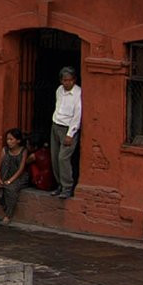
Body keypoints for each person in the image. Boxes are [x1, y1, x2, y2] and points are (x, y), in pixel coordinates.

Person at [50, 66, 82, 200]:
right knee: (55, 157)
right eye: (64, 80)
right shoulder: (59, 90)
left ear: (74, 80)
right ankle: (59, 185)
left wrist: (71, 133)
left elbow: (77, 115)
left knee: (63, 158)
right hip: (56, 125)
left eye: (69, 80)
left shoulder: (78, 94)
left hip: (68, 128)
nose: (66, 83)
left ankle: (67, 186)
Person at [0, 128, 30, 224]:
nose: (9, 142)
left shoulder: (23, 151)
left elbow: (21, 169)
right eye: (8, 140)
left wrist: (10, 180)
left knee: (11, 189)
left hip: (19, 177)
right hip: (6, 174)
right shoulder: (5, 150)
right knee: (2, 188)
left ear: (18, 140)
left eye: (11, 139)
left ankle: (8, 216)